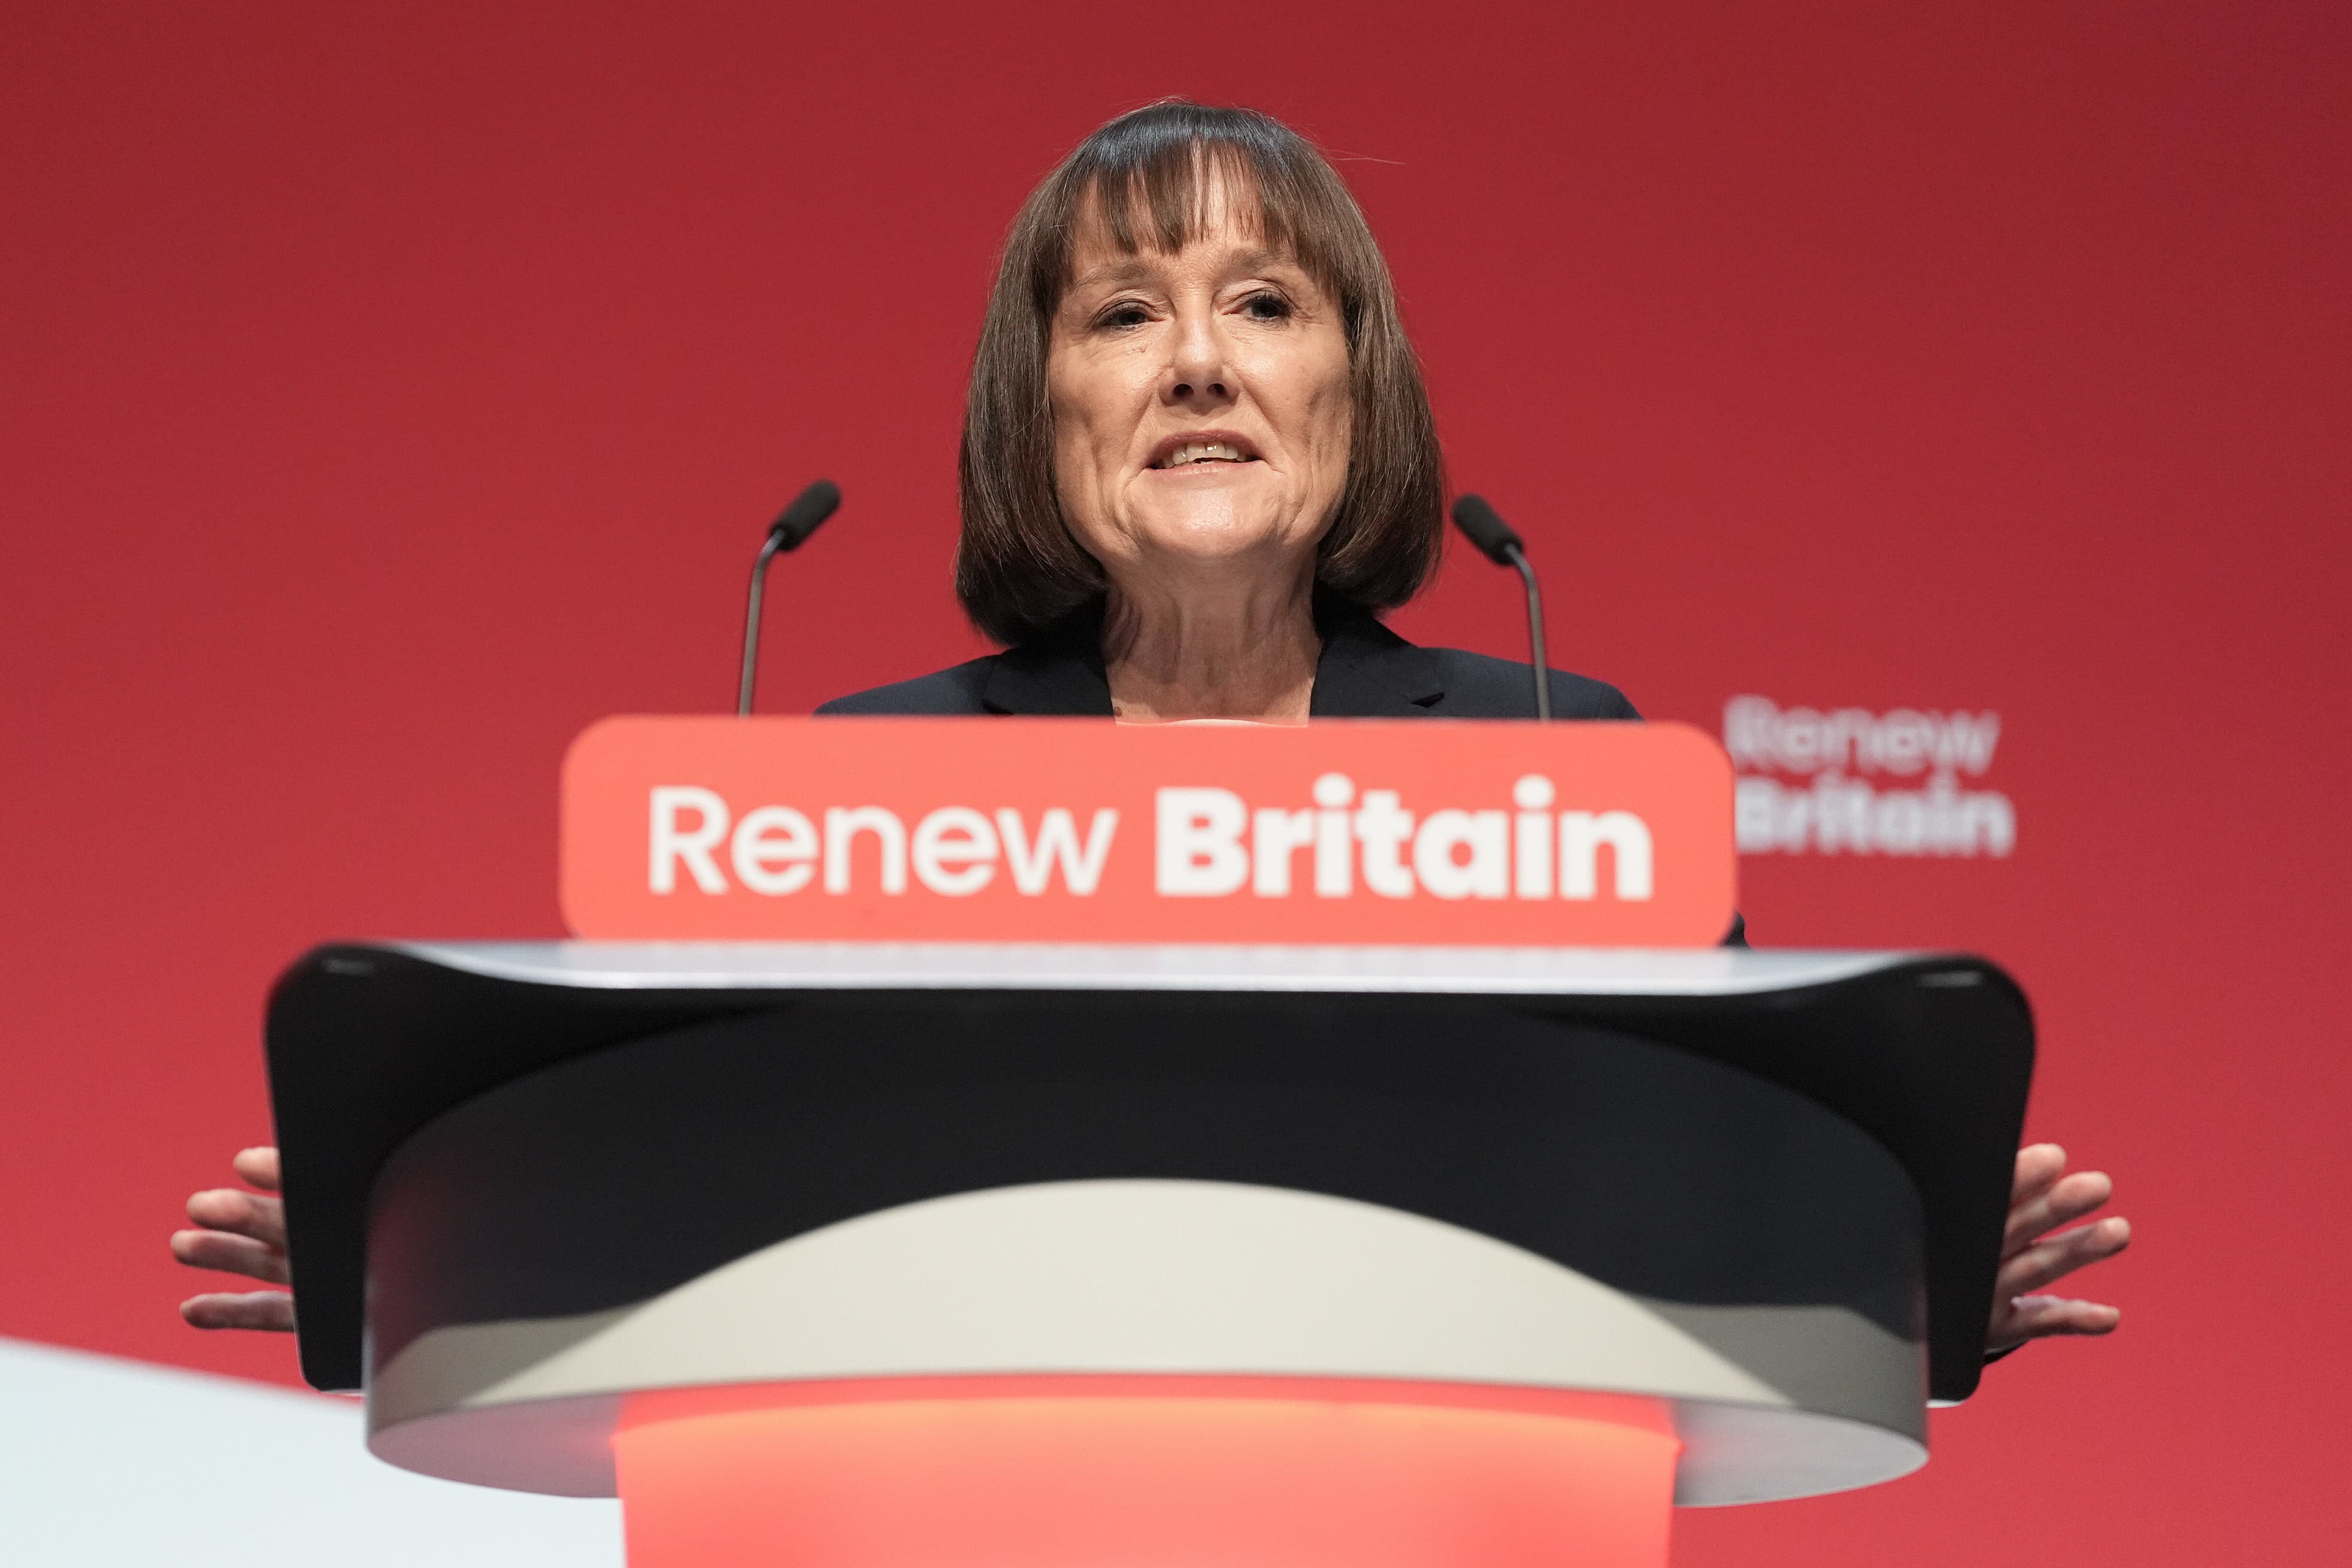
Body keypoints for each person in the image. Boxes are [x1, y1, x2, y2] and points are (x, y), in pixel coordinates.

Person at [173, 101, 2127, 1358]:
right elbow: (707, 1189)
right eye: (1121, 315)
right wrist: (432, 1265)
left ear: (1355, 394)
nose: (1198, 357)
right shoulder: (861, 793)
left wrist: (1902, 1264)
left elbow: (1712, 1180)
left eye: (1264, 302)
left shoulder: (1555, 765)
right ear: (1043, 421)